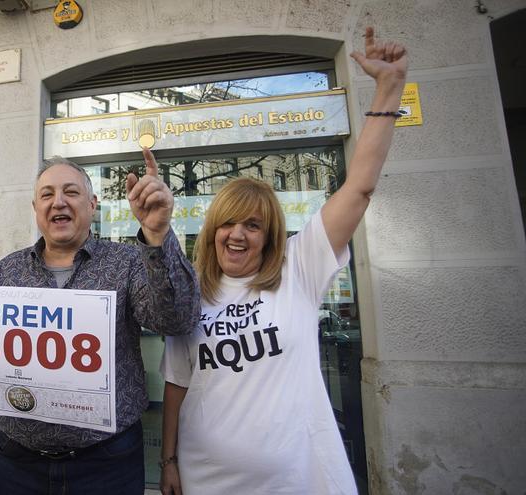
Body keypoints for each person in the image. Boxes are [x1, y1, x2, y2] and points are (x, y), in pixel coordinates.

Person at [158, 27, 408, 495]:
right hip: (204, 477)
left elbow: (358, 188)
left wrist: (388, 90)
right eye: (229, 223)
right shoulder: (193, 292)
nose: (238, 234)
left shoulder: (298, 269)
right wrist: (167, 460)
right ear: (212, 232)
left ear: (270, 236)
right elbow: (177, 385)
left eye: (253, 226)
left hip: (296, 478)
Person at [0, 150, 201, 494]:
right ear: (36, 209)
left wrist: (157, 235)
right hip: (16, 462)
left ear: (92, 204)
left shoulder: (128, 262)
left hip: (107, 463)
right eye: (47, 194)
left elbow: (177, 320)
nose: (58, 202)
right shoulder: (8, 270)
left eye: (71, 192)